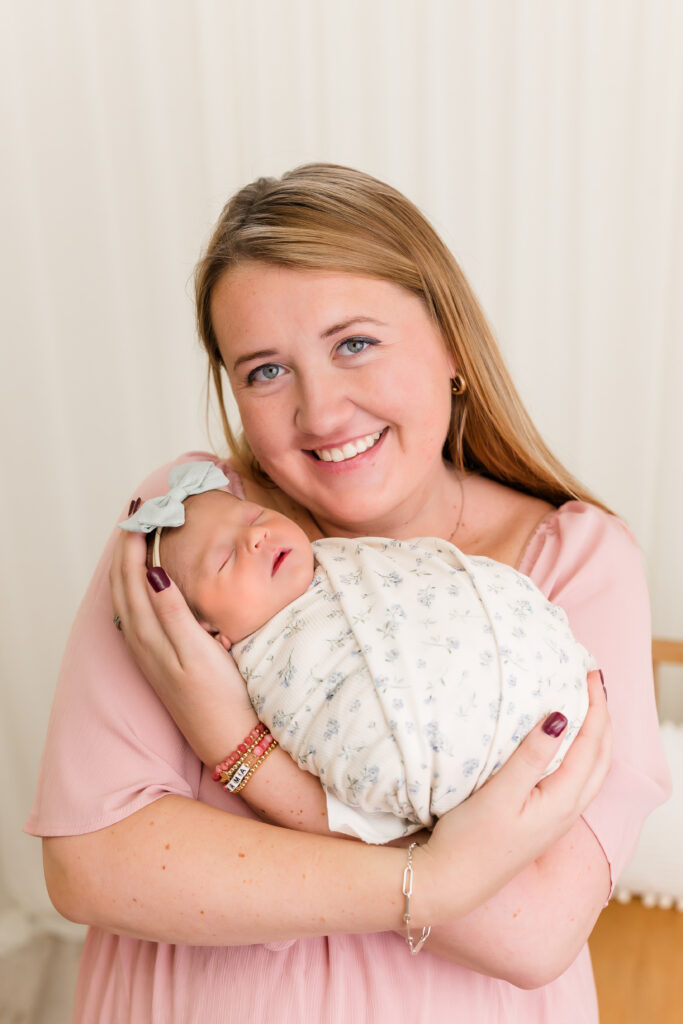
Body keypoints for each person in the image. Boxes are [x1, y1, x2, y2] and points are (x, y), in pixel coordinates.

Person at [27, 164, 669, 1023]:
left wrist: (242, 749)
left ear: (449, 343)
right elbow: (95, 865)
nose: (321, 411)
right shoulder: (186, 531)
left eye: (354, 343)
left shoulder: (578, 561)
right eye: (264, 371)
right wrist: (434, 878)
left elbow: (532, 932)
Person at [120, 460, 594, 843]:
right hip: (427, 756)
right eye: (224, 560)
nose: (255, 537)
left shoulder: (344, 559)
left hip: (524, 685)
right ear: (206, 632)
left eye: (254, 517)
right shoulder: (262, 662)